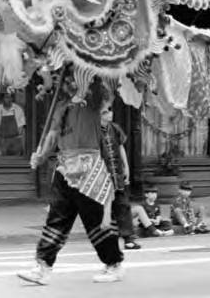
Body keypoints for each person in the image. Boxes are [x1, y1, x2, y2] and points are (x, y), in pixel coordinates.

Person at [17, 78, 124, 285]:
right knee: (56, 218)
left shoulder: (94, 99)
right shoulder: (61, 105)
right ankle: (43, 267)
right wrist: (41, 155)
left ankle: (114, 264)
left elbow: (108, 94)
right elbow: (53, 134)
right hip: (64, 166)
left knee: (96, 220)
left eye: (67, 78)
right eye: (61, 78)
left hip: (89, 167)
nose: (63, 82)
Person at [98, 99, 141, 250]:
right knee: (101, 207)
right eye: (105, 111)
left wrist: (126, 167)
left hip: (117, 173)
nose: (110, 113)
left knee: (123, 204)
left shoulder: (115, 128)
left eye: (110, 110)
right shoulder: (93, 131)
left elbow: (121, 147)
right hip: (101, 174)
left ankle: (128, 237)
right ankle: (104, 238)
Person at [0, 92, 26, 156]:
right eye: (6, 97)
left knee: (15, 162)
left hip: (14, 141)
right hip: (1, 141)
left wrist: (16, 140)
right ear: (2, 98)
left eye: (10, 97)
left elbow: (21, 127)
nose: (9, 99)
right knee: (0, 162)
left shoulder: (18, 109)